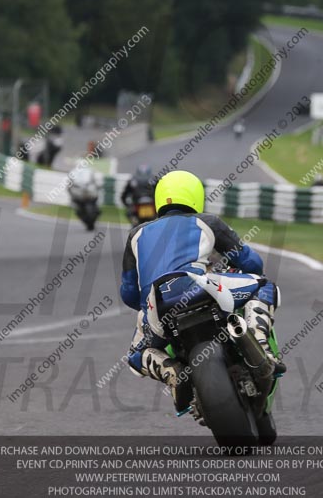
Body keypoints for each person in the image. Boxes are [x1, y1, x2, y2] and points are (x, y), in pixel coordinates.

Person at [119, 170, 283, 410]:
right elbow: (253, 264)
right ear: (196, 196)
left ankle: (170, 371)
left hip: (157, 304)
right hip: (199, 285)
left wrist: (149, 305)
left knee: (136, 355)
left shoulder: (135, 234)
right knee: (263, 285)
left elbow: (129, 293)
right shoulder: (207, 221)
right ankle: (261, 345)